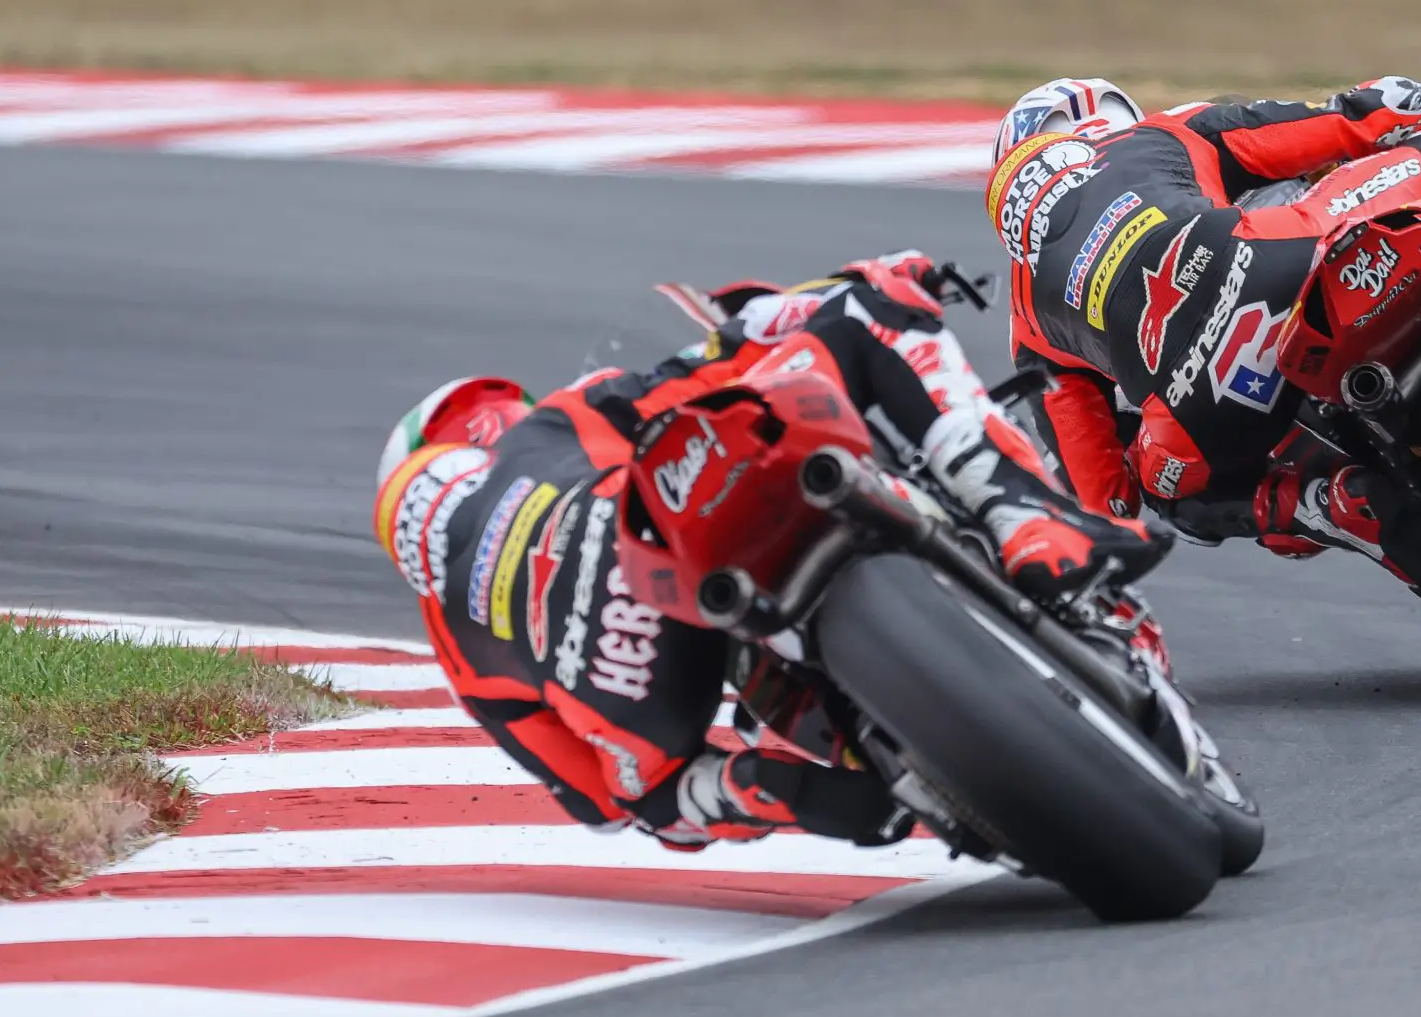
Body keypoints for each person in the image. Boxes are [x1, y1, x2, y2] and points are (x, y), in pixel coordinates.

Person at [370, 252, 1168, 851]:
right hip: (657, 553)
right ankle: (1026, 520)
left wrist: (758, 790)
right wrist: (858, 286)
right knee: (865, 316)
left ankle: (822, 784)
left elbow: (603, 807)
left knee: (666, 792)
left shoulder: (461, 655)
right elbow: (713, 368)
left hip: (647, 695)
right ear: (485, 433)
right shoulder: (553, 430)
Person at [987, 76, 1421, 587]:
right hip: (1276, 258)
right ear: (1104, 121)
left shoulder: (1030, 322)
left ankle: (1330, 503)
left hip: (1203, 403)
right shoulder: (1160, 134)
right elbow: (1345, 122)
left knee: (1170, 488)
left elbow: (1106, 503)